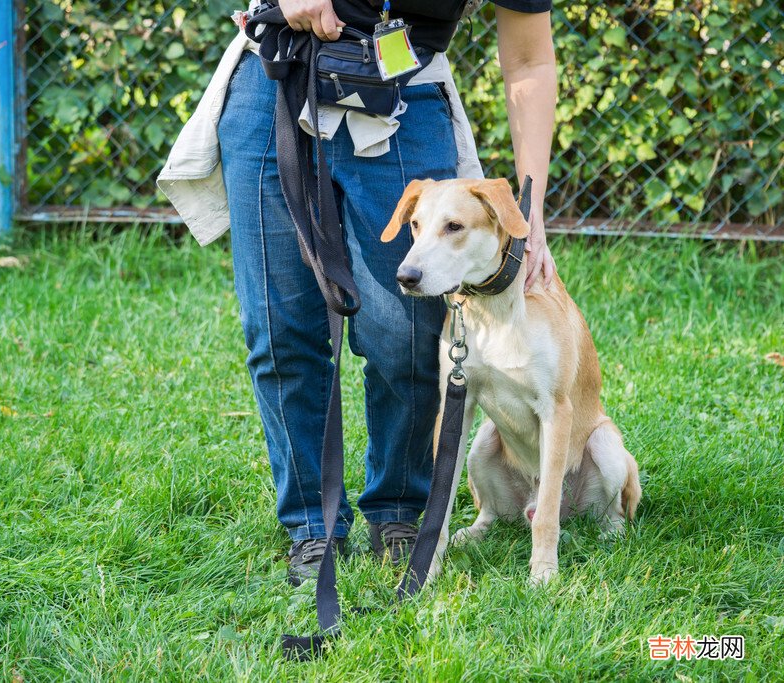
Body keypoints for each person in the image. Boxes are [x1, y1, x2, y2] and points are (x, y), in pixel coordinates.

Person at [159, 0, 557, 585]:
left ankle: (397, 511)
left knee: (408, 333)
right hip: (278, 80)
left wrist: (531, 209)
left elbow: (527, 59)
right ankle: (310, 526)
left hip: (405, 91)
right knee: (280, 328)